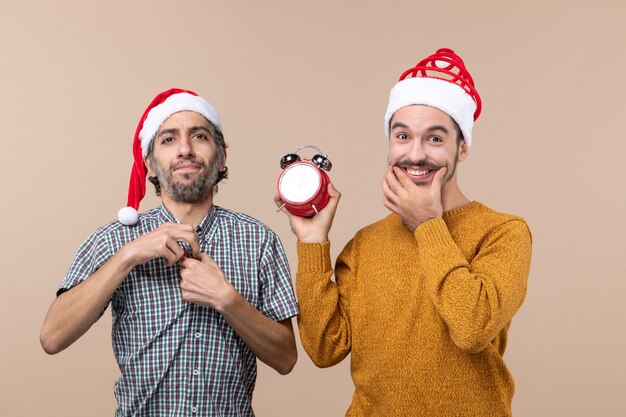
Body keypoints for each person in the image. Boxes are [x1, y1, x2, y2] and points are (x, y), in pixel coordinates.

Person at [276, 48, 532, 416]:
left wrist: (428, 224)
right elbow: (323, 348)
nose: (415, 154)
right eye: (402, 136)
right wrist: (312, 242)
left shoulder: (503, 233)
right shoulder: (365, 244)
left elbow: (473, 328)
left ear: (462, 148)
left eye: (435, 138)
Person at [40, 88, 298, 416]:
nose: (185, 150)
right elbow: (52, 337)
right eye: (168, 140)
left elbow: (286, 358)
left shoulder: (259, 240)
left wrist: (226, 300)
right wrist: (126, 257)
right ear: (149, 165)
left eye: (199, 136)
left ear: (221, 158)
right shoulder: (115, 239)